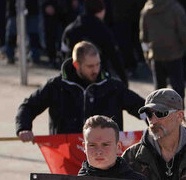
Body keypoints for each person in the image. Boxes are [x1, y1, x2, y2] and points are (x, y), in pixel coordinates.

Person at [16, 41, 144, 140]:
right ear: (77, 65)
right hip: (68, 154)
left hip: (103, 155)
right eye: (90, 66)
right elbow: (28, 106)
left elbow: (140, 107)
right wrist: (24, 127)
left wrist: (156, 121)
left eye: (98, 64)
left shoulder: (113, 87)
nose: (95, 70)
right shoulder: (57, 86)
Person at [139, 0, 186, 99]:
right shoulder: (175, 8)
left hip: (156, 55)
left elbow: (144, 36)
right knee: (178, 90)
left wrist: (147, 55)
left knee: (159, 93)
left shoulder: (147, 9)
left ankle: (160, 117)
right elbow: (185, 34)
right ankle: (179, 117)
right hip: (174, 54)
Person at [62, 0, 127, 84]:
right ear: (101, 10)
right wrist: (124, 80)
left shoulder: (71, 29)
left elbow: (64, 52)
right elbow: (114, 56)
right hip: (97, 77)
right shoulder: (103, 30)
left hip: (74, 76)